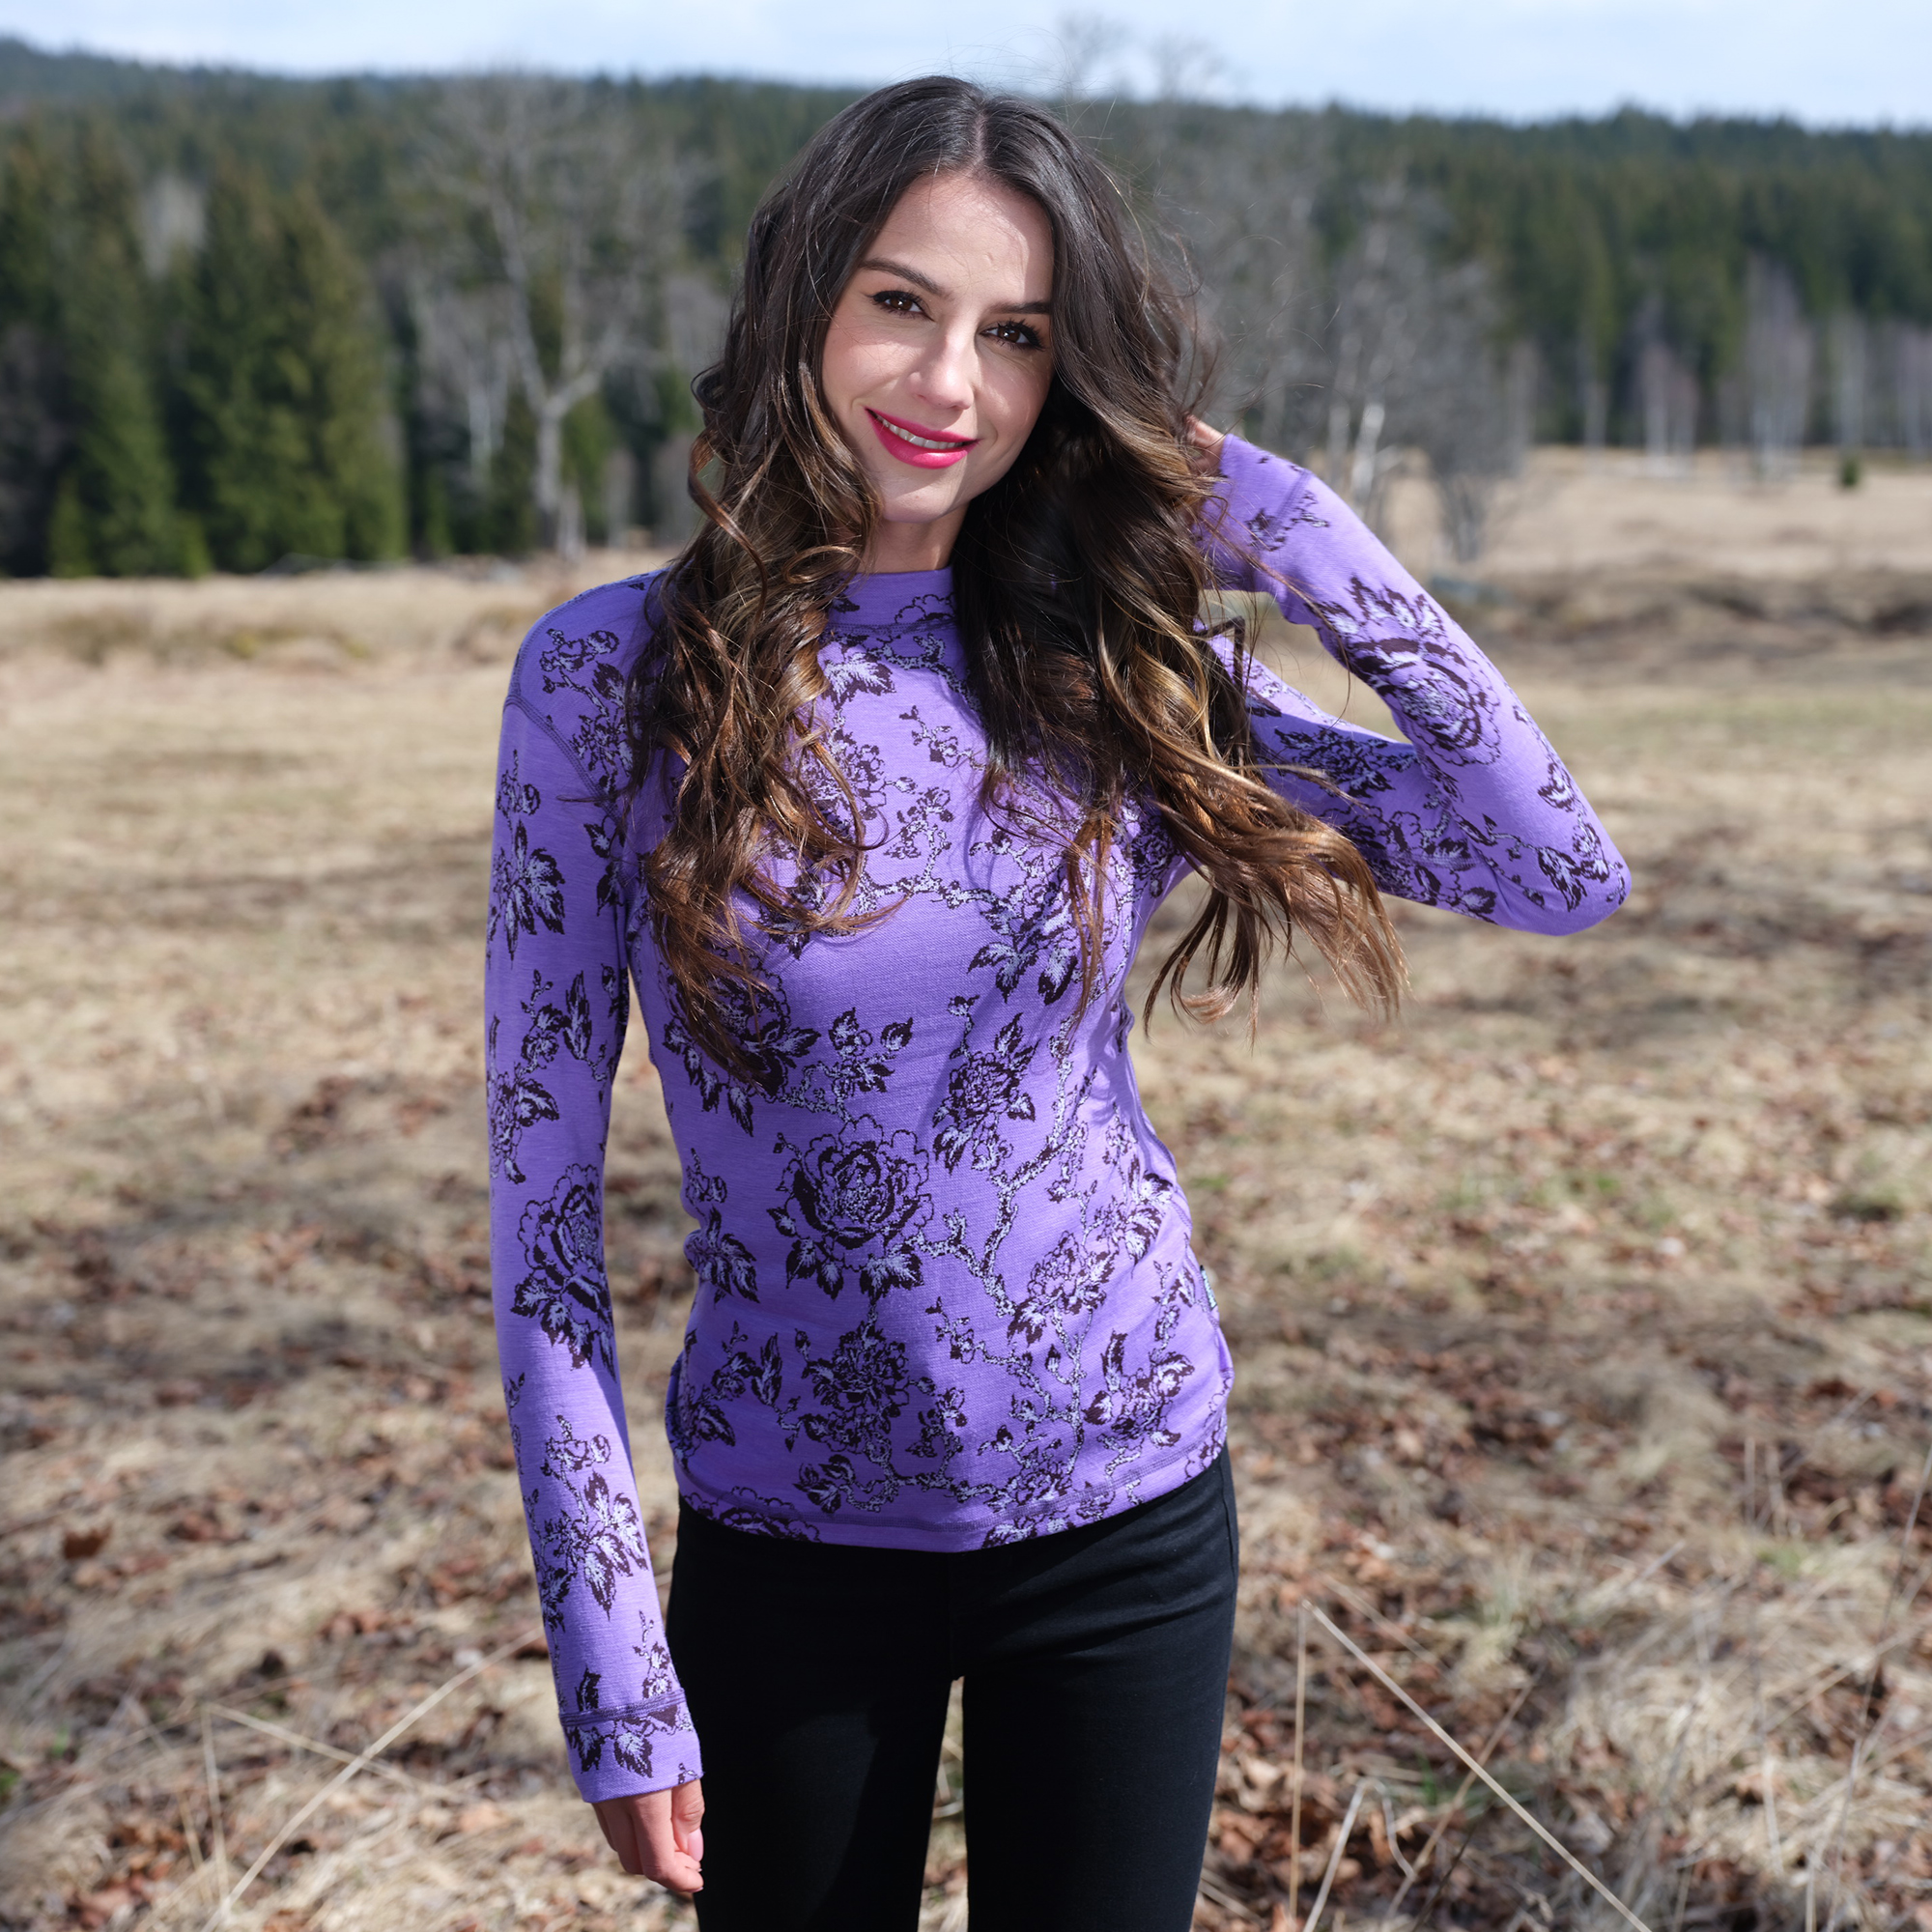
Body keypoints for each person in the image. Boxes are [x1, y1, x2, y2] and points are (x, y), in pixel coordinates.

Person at [486, 75, 1627, 1932]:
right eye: (900, 304)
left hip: (1126, 1515)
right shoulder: (610, 683)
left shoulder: (1108, 666)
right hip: (791, 1538)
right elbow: (541, 1215)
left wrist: (1295, 526)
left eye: (1016, 335)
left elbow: (1551, 862)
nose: (951, 384)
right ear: (798, 305)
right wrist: (605, 1643)